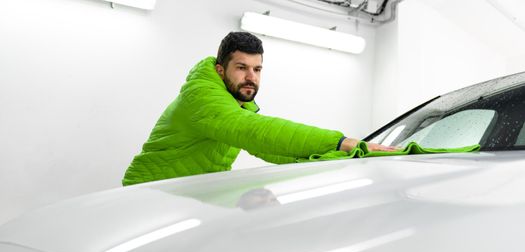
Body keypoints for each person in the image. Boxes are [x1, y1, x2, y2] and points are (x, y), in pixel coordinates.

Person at [122, 32, 395, 186]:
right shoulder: (202, 96)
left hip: (189, 193)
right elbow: (253, 132)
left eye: (257, 69)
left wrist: (337, 159)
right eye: (241, 68)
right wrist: (340, 142)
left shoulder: (236, 105)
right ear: (220, 70)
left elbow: (266, 148)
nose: (251, 76)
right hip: (150, 193)